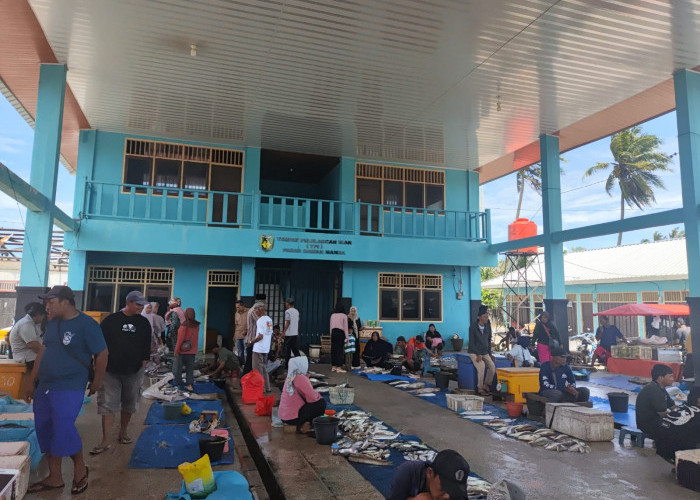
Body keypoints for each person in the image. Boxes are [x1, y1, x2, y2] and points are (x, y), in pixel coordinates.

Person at [23, 286, 108, 495]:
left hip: (69, 386)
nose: (47, 306)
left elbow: (102, 353)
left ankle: (80, 469)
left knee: (63, 427)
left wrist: (97, 380)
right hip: (45, 385)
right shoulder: (53, 323)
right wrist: (32, 379)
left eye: (51, 301)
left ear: (66, 302)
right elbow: (44, 349)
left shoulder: (87, 324)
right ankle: (55, 476)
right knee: (45, 427)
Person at [92, 290, 151, 455]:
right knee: (107, 404)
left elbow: (147, 344)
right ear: (129, 302)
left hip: (134, 370)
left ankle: (123, 431)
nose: (141, 307)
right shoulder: (111, 321)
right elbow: (99, 342)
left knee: (129, 403)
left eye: (142, 305)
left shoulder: (144, 323)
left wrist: (144, 361)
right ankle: (105, 440)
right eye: (138, 304)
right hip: (111, 371)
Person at [387, 449, 470, 500]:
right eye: (443, 489)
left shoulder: (458, 483)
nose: (447, 496)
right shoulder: (409, 472)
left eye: (452, 491)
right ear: (430, 473)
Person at [279, 356, 326, 434]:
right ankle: (305, 425)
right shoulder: (299, 377)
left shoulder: (290, 376)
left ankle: (303, 423)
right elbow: (313, 397)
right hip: (292, 418)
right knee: (320, 403)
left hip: (284, 416)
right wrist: (319, 396)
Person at [468, 305, 496, 396]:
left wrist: (490, 354)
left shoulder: (488, 326)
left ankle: (486, 384)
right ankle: (480, 387)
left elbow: (488, 340)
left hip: (484, 352)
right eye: (484, 317)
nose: (486, 318)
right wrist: (478, 354)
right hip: (474, 351)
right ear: (480, 317)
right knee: (482, 366)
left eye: (487, 317)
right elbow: (471, 342)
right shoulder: (473, 327)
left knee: (492, 366)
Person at [9, 302, 45, 371]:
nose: (43, 318)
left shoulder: (33, 324)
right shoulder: (26, 324)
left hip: (31, 356)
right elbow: (34, 346)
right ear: (38, 315)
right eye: (43, 315)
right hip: (26, 357)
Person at [173, 308, 199, 391]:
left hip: (182, 351)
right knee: (190, 368)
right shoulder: (197, 325)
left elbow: (180, 339)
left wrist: (176, 351)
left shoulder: (184, 325)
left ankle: (179, 383)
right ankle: (189, 384)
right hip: (192, 351)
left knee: (177, 368)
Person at [251, 302, 273, 392]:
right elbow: (268, 334)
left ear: (259, 309)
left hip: (258, 349)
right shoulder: (269, 320)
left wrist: (251, 342)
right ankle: (267, 387)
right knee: (264, 369)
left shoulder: (260, 321)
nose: (255, 311)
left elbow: (260, 336)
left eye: (255, 309)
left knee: (257, 370)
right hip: (266, 348)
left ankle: (261, 388)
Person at [244, 294, 266, 375]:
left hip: (255, 340)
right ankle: (244, 378)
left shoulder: (253, 310)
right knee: (250, 362)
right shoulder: (254, 311)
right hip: (252, 340)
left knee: (252, 362)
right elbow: (261, 322)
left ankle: (247, 378)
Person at [330, 302, 349, 373]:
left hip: (334, 332)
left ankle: (333, 366)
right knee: (340, 350)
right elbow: (345, 327)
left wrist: (331, 334)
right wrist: (347, 338)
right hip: (340, 333)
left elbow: (331, 326)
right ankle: (339, 367)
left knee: (334, 349)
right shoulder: (344, 316)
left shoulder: (333, 315)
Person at [283, 298, 301, 366]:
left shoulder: (287, 311)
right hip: (295, 333)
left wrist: (284, 332)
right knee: (295, 350)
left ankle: (287, 365)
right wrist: (297, 331)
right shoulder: (296, 311)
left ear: (288, 303)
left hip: (289, 334)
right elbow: (298, 322)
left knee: (287, 350)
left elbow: (288, 322)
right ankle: (300, 363)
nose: (285, 304)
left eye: (286, 303)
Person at [233, 300, 248, 367]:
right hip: (238, 334)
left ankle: (247, 364)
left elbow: (252, 323)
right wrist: (234, 335)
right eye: (236, 307)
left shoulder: (249, 312)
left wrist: (247, 330)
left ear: (242, 306)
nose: (237, 309)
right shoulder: (236, 314)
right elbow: (236, 325)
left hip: (246, 335)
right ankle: (240, 364)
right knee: (240, 351)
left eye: (238, 307)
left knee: (246, 351)